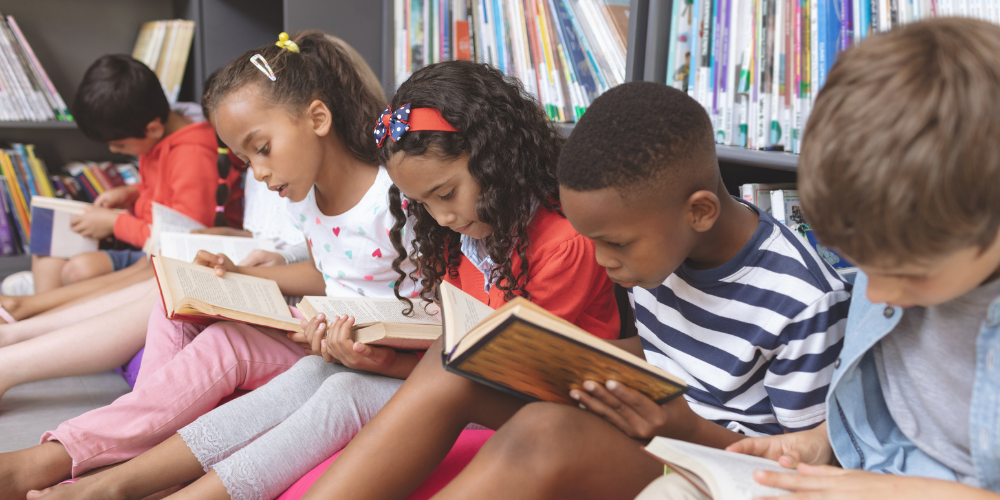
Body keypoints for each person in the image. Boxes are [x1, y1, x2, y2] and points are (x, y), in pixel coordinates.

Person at [29, 60, 622, 500]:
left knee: (341, 389)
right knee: (322, 368)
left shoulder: (561, 247)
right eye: (427, 205)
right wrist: (377, 357)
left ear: (495, 159)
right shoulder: (466, 235)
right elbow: (455, 349)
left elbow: (517, 380)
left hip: (513, 404)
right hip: (451, 382)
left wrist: (383, 366)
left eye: (446, 195)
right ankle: (121, 481)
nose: (442, 217)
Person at [305, 80, 850, 500]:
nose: (602, 260)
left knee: (547, 433)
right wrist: (561, 359)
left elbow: (801, 468)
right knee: (454, 362)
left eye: (613, 244)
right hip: (655, 416)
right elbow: (669, 352)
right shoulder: (660, 247)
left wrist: (681, 423)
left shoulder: (802, 300)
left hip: (713, 463)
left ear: (700, 211)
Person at [0, 31, 404, 499]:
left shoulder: (394, 199)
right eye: (244, 158)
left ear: (317, 117)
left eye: (262, 149)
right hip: (319, 328)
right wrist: (238, 276)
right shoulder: (306, 195)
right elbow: (322, 273)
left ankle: (83, 460)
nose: (258, 172)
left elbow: (425, 308)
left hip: (358, 347)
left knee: (226, 345)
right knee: (176, 306)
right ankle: (126, 453)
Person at [711, 18, 1000, 500]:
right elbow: (893, 412)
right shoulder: (901, 230)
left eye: (908, 274)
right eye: (863, 265)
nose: (878, 292)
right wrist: (818, 443)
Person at [29, 55, 240, 293]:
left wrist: (116, 224)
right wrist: (132, 192)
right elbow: (166, 192)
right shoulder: (156, 137)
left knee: (79, 270)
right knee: (46, 251)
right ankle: (39, 312)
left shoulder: (194, 156)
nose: (114, 150)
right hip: (148, 237)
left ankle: (45, 315)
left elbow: (187, 235)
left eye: (120, 146)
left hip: (172, 251)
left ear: (153, 128)